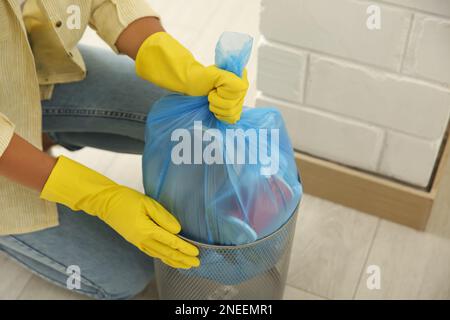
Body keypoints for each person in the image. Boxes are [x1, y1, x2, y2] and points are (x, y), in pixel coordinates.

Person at [0, 0, 248, 299]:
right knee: (130, 273)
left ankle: (42, 137)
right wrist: (101, 197)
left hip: (35, 74)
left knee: (190, 118)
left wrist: (185, 70)